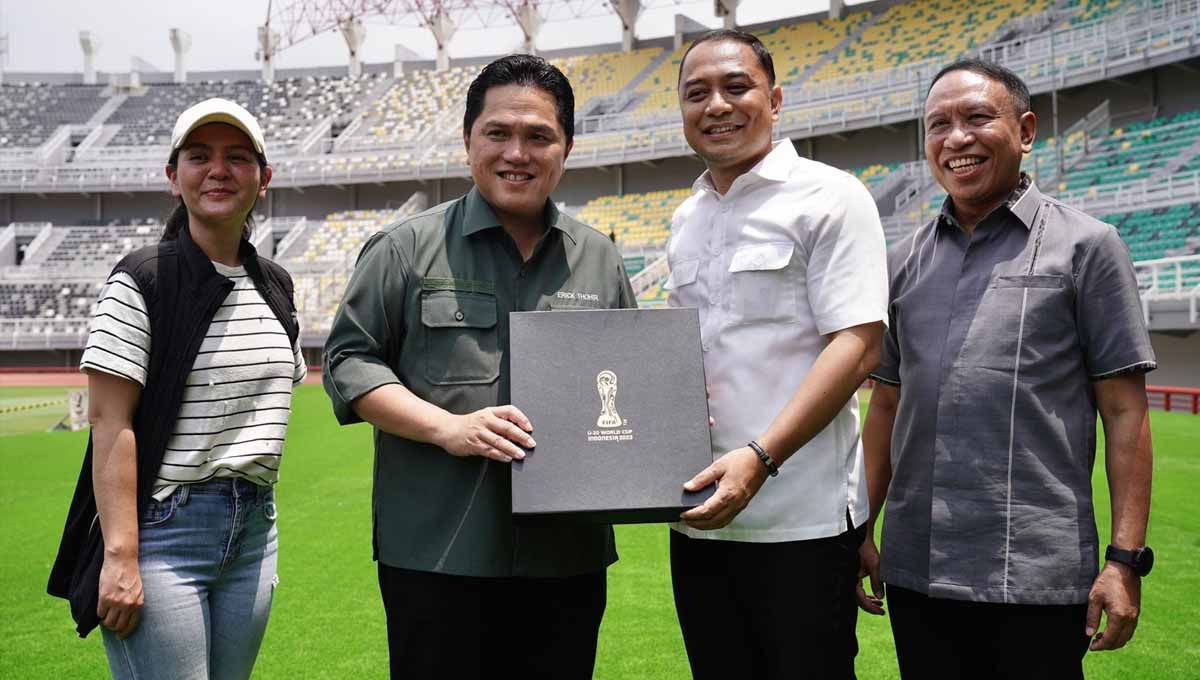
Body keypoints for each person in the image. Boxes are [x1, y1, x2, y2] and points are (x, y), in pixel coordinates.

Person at [322, 54, 635, 680]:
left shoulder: (600, 259)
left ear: (566, 148)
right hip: (436, 553)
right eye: (499, 133)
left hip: (565, 560)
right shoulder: (404, 250)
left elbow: (629, 378)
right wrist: (447, 428)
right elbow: (350, 362)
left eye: (538, 136)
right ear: (469, 141)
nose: (517, 152)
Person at [858, 59, 1155, 680]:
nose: (955, 139)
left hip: (1036, 577)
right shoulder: (900, 261)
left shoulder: (1089, 247)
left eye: (976, 118)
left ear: (1024, 130)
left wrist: (1124, 560)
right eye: (937, 125)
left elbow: (1126, 413)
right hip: (919, 571)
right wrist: (862, 527)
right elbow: (885, 405)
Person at [47, 98, 306, 679]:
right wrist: (121, 554)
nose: (219, 169)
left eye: (238, 157)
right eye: (199, 156)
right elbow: (110, 423)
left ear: (264, 180)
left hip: (254, 534)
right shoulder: (141, 279)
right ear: (173, 177)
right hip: (165, 533)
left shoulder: (278, 288)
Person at [666, 30, 889, 679]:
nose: (717, 105)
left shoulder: (831, 196)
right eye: (696, 93)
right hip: (698, 522)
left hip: (802, 525)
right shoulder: (686, 218)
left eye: (736, 87)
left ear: (775, 98)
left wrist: (761, 459)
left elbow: (858, 345)